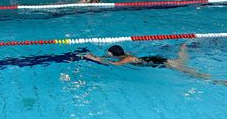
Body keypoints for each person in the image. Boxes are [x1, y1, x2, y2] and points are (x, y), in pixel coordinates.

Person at [82, 43, 211, 80]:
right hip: (155, 59)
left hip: (161, 63)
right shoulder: (126, 54)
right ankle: (183, 47)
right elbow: (112, 58)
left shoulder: (126, 59)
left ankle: (216, 81)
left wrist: (94, 59)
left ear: (114, 54)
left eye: (108, 53)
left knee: (189, 72)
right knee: (181, 61)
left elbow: (114, 64)